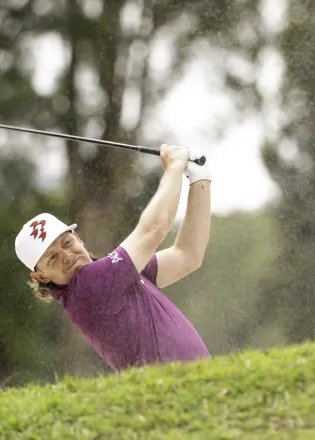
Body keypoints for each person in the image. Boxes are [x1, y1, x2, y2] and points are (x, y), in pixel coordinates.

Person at [13, 144, 212, 372]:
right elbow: (155, 228)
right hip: (172, 395)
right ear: (41, 276)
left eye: (67, 243)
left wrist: (200, 180)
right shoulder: (88, 287)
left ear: (77, 237)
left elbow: (187, 255)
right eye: (52, 258)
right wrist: (174, 168)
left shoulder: (112, 276)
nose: (66, 256)